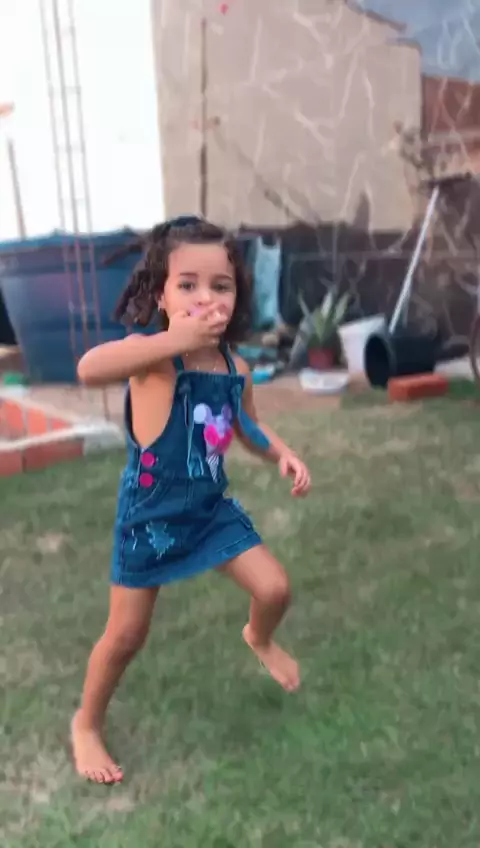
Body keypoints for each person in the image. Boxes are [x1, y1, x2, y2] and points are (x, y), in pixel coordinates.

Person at [72, 216, 311, 784]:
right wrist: (172, 341)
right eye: (187, 285)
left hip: (209, 512)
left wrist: (280, 452)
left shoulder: (235, 368)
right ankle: (86, 724)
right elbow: (88, 369)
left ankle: (258, 636)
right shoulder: (151, 356)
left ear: (236, 296)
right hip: (150, 518)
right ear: (162, 295)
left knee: (274, 589)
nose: (205, 297)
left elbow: (244, 427)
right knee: (126, 636)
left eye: (220, 286)